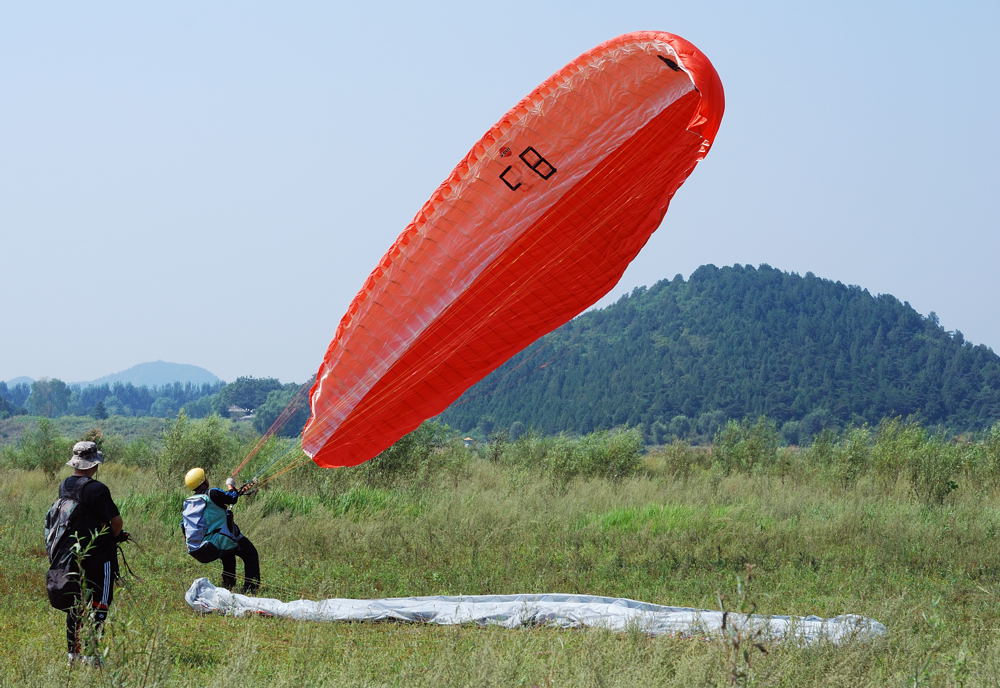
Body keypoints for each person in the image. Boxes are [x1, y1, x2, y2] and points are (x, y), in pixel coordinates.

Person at [58, 441, 128, 666]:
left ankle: (73, 654)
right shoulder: (98, 489)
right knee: (100, 603)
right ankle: (92, 655)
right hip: (100, 556)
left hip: (73, 554)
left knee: (76, 604)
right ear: (94, 463)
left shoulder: (65, 484)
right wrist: (115, 537)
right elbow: (116, 522)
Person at [181, 467, 260, 594]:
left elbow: (183, 525)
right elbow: (232, 498)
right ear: (204, 481)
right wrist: (230, 484)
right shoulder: (213, 493)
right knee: (250, 553)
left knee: (228, 554)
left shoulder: (191, 502)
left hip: (208, 544)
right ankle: (251, 588)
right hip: (221, 539)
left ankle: (228, 586)